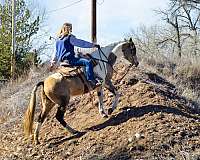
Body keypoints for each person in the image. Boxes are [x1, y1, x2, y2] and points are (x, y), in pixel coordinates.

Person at [50, 22, 101, 87]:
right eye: (70, 28)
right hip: (70, 60)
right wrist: (93, 45)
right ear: (68, 29)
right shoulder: (69, 38)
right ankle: (91, 80)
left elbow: (55, 54)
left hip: (61, 62)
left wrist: (52, 63)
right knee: (87, 62)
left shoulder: (57, 40)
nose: (71, 30)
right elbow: (82, 43)